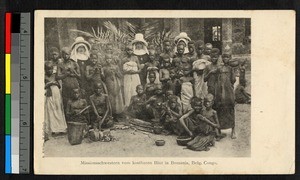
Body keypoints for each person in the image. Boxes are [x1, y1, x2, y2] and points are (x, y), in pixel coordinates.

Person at [215, 53, 237, 139]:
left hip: (228, 92)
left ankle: (233, 130)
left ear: (230, 58)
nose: (225, 59)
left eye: (227, 57)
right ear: (222, 58)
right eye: (224, 57)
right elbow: (217, 80)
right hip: (220, 92)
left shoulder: (231, 69)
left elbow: (233, 80)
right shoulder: (219, 68)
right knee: (219, 109)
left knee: (231, 109)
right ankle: (219, 131)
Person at [44, 61, 67, 137]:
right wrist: (50, 83)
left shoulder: (55, 75)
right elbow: (44, 86)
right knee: (51, 110)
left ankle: (61, 128)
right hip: (49, 94)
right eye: (47, 69)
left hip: (56, 94)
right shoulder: (44, 76)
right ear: (45, 69)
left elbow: (61, 80)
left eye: (50, 69)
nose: (49, 71)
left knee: (58, 109)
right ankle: (53, 129)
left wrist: (62, 67)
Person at [102, 54, 125, 120]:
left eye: (109, 59)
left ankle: (117, 114)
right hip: (108, 82)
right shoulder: (104, 68)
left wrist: (116, 72)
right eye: (107, 59)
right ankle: (110, 113)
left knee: (116, 97)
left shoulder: (115, 67)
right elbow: (103, 78)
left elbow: (120, 76)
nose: (108, 60)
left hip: (115, 82)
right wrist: (103, 73)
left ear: (112, 59)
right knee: (110, 97)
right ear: (105, 60)